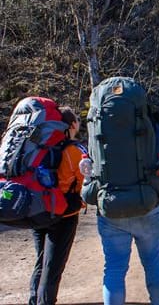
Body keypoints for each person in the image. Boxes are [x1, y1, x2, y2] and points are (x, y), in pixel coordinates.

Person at [96, 115, 159, 305]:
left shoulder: (98, 124)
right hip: (147, 206)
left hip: (112, 206)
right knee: (153, 262)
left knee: (114, 268)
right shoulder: (150, 123)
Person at [29, 106, 86, 305]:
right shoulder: (73, 150)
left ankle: (33, 300)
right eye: (77, 121)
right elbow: (84, 182)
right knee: (52, 268)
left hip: (37, 208)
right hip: (64, 214)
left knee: (41, 260)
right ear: (71, 125)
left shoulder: (40, 146)